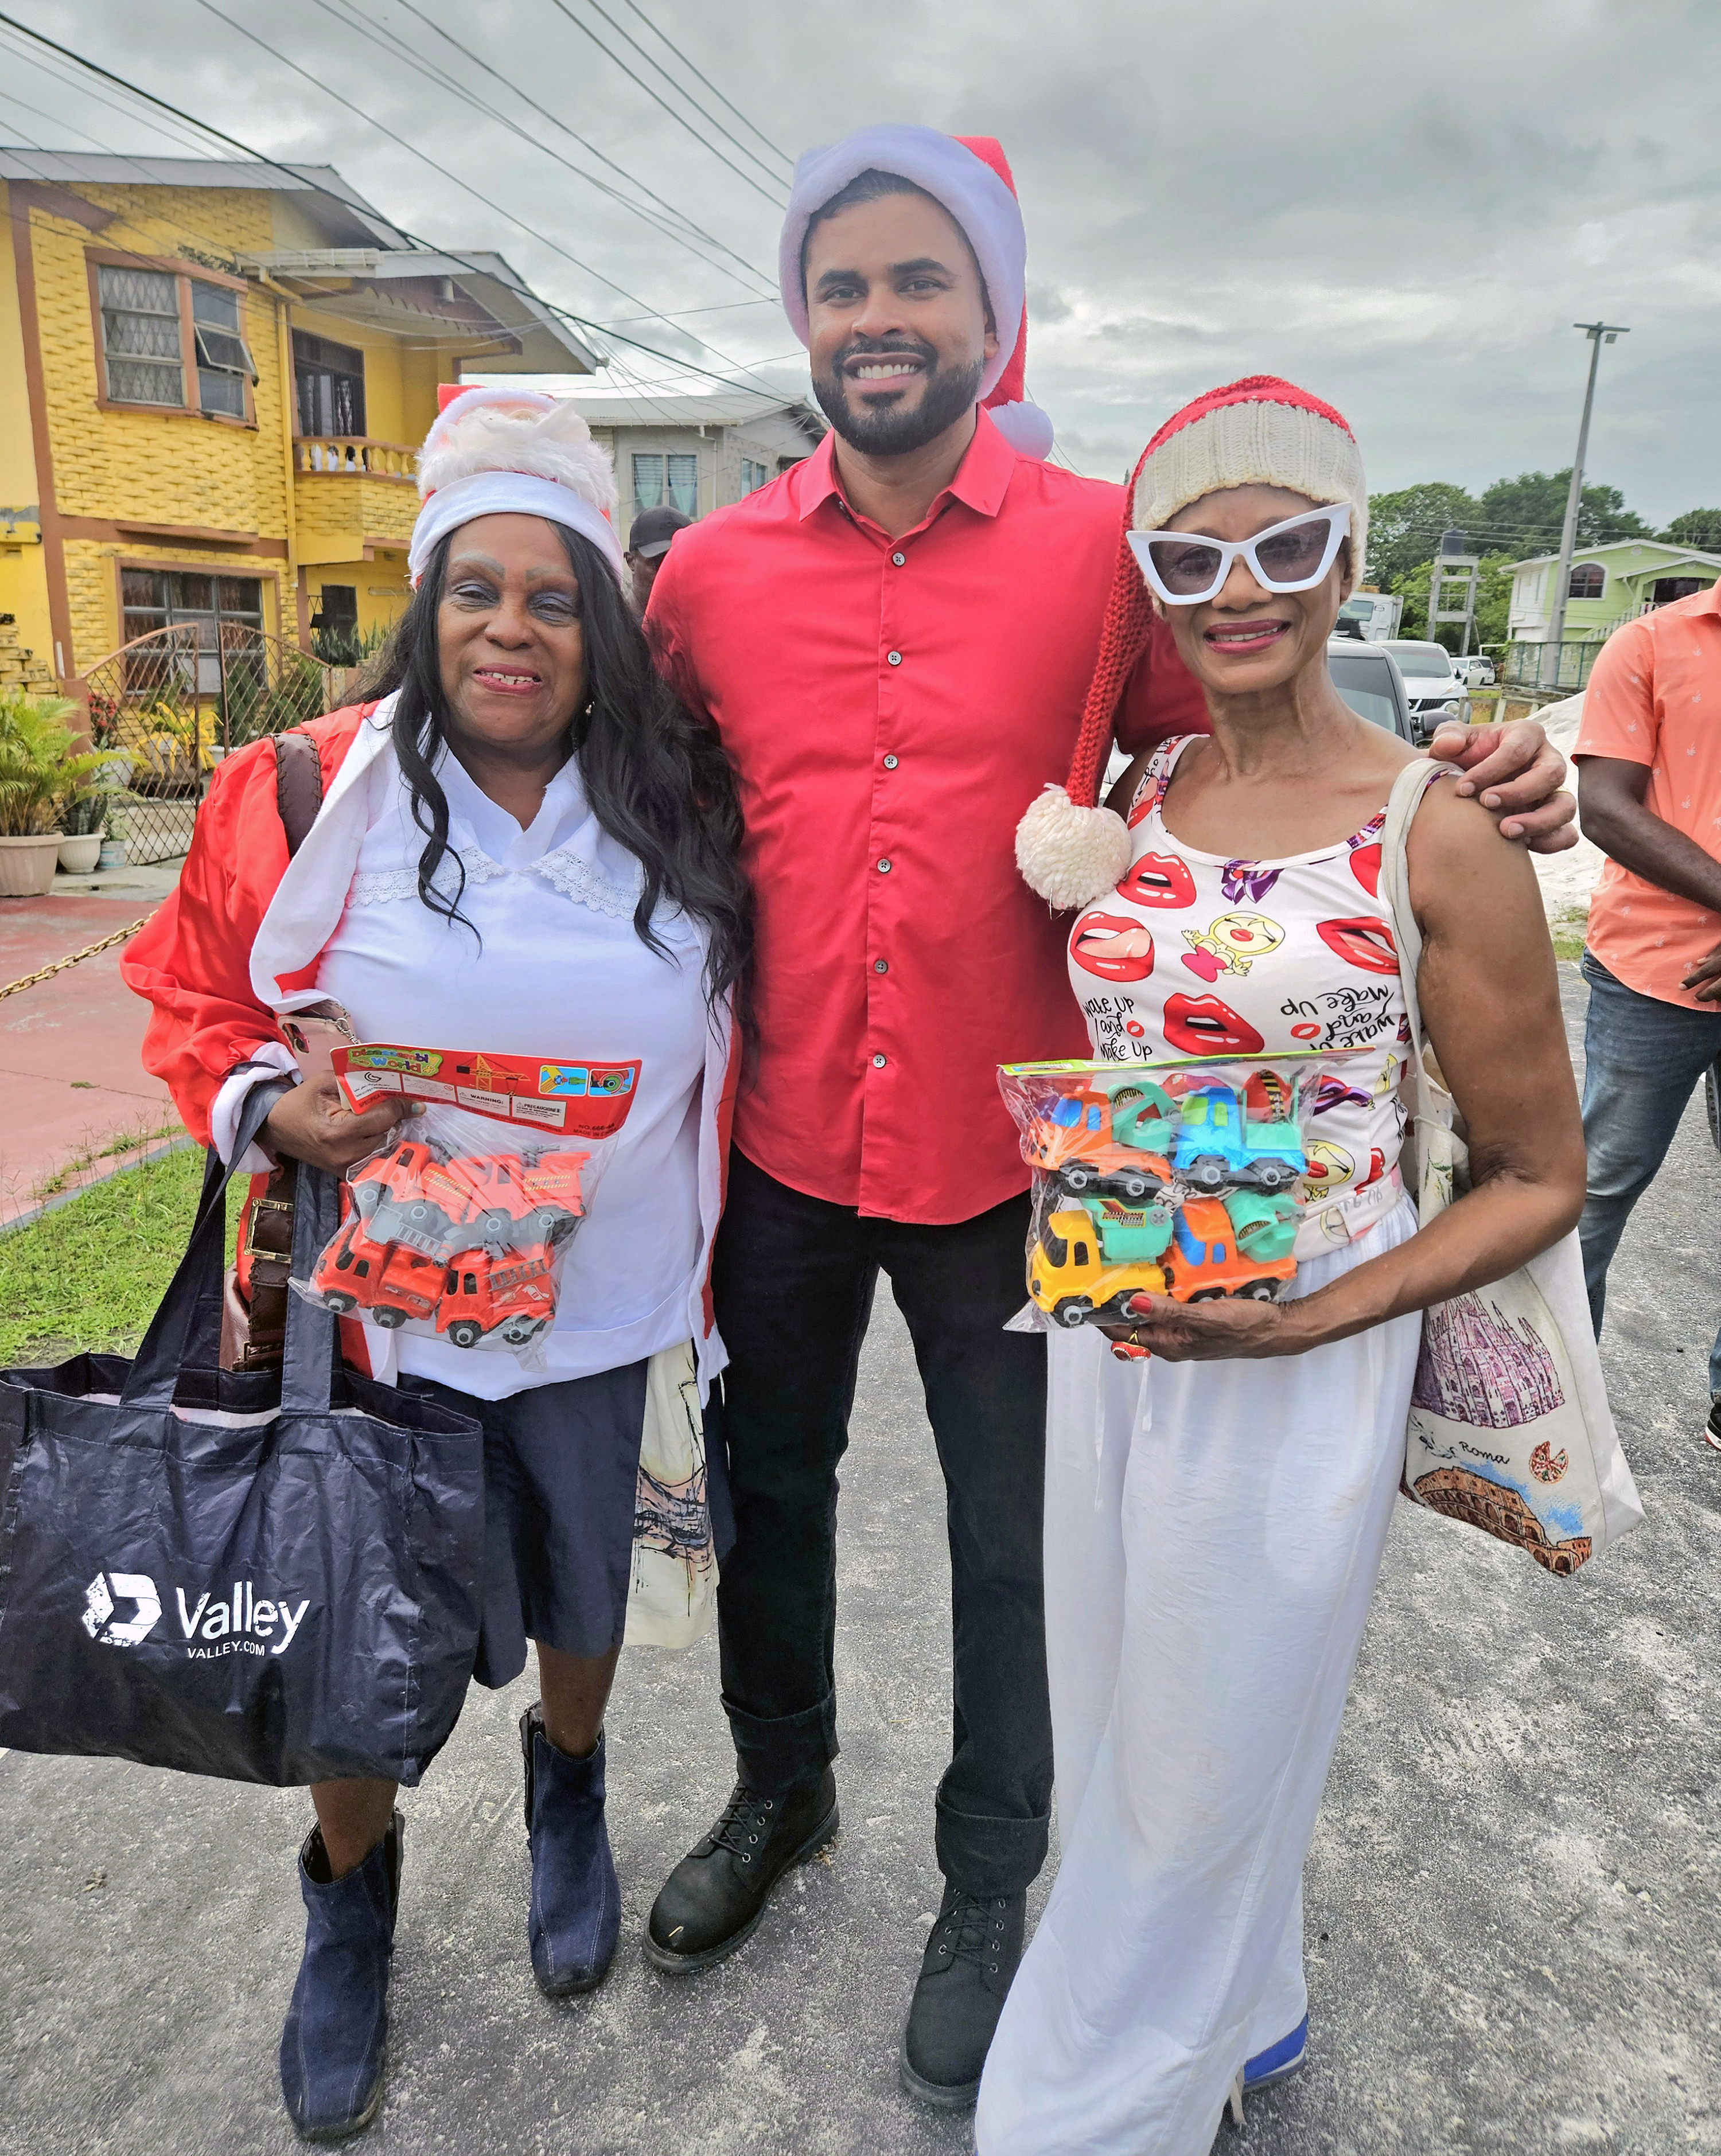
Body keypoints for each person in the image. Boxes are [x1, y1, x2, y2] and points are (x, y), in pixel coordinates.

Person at [640, 124, 1577, 2109]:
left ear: (992, 310)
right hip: (785, 1141)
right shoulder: (706, 572)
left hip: (1033, 1160)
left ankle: (994, 1884)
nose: (877, 319)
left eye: (919, 282)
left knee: (1020, 1545)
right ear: (798, 319)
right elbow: (609, 789)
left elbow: (1269, 712)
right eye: (840, 285)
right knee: (773, 1493)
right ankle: (781, 1787)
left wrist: (1509, 780)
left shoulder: (1102, 547)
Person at [122, 387, 750, 2141]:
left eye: (555, 595)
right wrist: (270, 1104)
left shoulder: (678, 790)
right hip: (384, 1314)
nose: (513, 626)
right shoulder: (307, 783)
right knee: (347, 1625)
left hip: (609, 1304)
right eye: (477, 587)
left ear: (600, 619)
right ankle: (351, 1896)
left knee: (583, 1590)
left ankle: (569, 1788)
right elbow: (198, 994)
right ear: (425, 600)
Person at [975, 376, 1587, 2153]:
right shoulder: (1136, 791)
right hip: (1114, 1332)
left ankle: (1093, 2102)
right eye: (1190, 554)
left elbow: (1541, 1170)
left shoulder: (1434, 823)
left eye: (1286, 542)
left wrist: (1315, 1316)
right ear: (1152, 586)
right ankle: (1245, 2002)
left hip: (1298, 1357)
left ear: (1347, 554)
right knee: (1112, 1706)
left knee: (1209, 1733)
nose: (1238, 585)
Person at [1570, 574, 1721, 1447]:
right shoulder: (1652, 643)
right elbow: (1607, 808)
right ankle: (1563, 1391)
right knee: (1598, 1187)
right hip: (1652, 971)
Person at [625, 503, 692, 617]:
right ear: (631, 561)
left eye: (681, 565)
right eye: (658, 563)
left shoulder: (699, 625)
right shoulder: (607, 626)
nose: (668, 574)